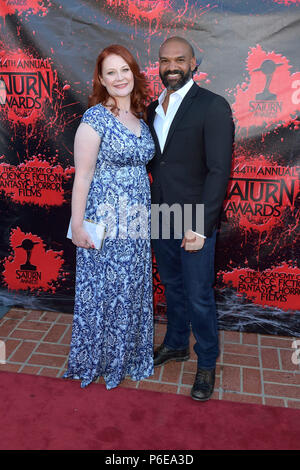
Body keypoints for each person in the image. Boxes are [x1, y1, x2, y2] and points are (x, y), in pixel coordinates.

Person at [63, 45, 155, 389]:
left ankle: (128, 356)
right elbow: (83, 175)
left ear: (134, 73)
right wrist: (76, 225)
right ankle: (98, 359)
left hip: (136, 220)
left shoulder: (141, 119)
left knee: (131, 288)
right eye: (111, 72)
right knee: (104, 290)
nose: (119, 78)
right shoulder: (95, 118)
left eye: (125, 70)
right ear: (101, 79)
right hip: (104, 220)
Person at [147, 37, 234, 401]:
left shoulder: (212, 106)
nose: (172, 67)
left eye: (179, 60)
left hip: (194, 216)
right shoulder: (154, 107)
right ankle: (177, 343)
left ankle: (207, 363)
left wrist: (200, 225)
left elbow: (218, 170)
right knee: (172, 285)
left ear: (194, 62)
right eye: (165, 61)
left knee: (199, 295)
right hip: (162, 212)